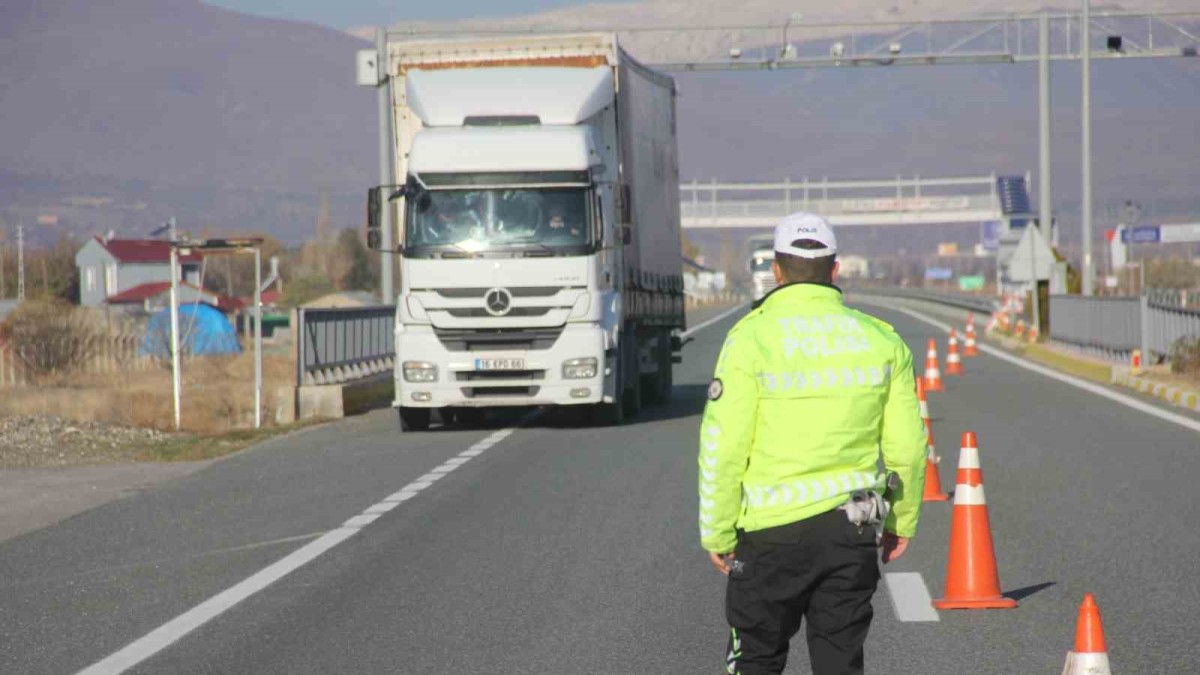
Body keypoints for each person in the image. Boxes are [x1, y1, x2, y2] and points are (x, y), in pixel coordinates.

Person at [698, 212, 927, 675]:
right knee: (840, 661)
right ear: (835, 269)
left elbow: (722, 447)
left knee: (756, 659)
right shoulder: (882, 340)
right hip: (852, 531)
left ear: (777, 271)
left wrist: (718, 531)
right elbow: (909, 445)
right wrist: (901, 520)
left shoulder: (749, 339)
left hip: (768, 536)